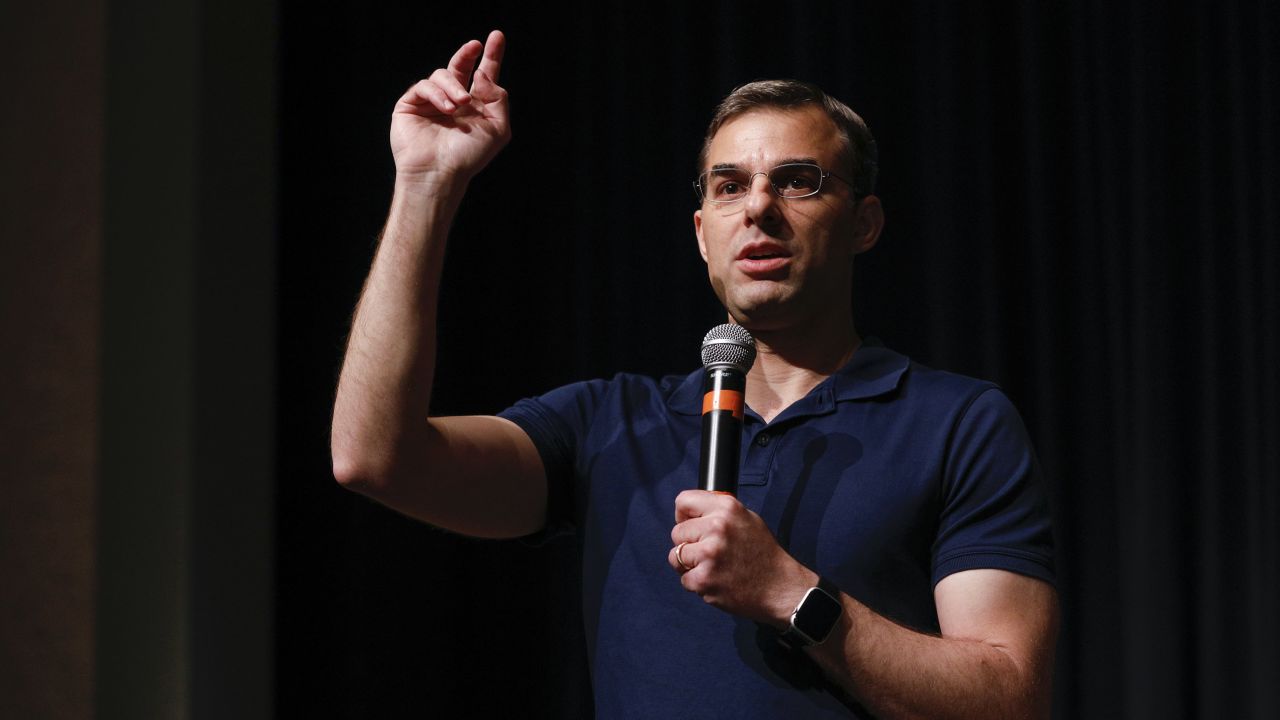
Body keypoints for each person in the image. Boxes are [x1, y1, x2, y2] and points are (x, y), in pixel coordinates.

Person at [331, 29, 1059, 719]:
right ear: (701, 231)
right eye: (730, 186)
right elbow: (375, 457)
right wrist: (426, 185)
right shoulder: (607, 425)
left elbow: (1008, 699)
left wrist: (793, 595)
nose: (761, 208)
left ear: (864, 223)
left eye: (798, 181)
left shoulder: (957, 422)